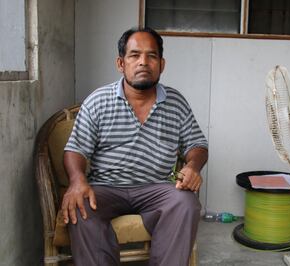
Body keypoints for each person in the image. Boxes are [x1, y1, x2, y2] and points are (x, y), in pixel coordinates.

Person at [62, 27, 208, 266]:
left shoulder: (176, 102)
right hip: (106, 188)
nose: (143, 62)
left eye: (151, 56)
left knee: (186, 203)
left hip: (158, 188)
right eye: (134, 55)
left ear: (161, 64)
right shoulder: (98, 101)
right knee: (80, 207)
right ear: (121, 63)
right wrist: (77, 180)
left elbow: (197, 145)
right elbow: (75, 149)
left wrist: (193, 165)